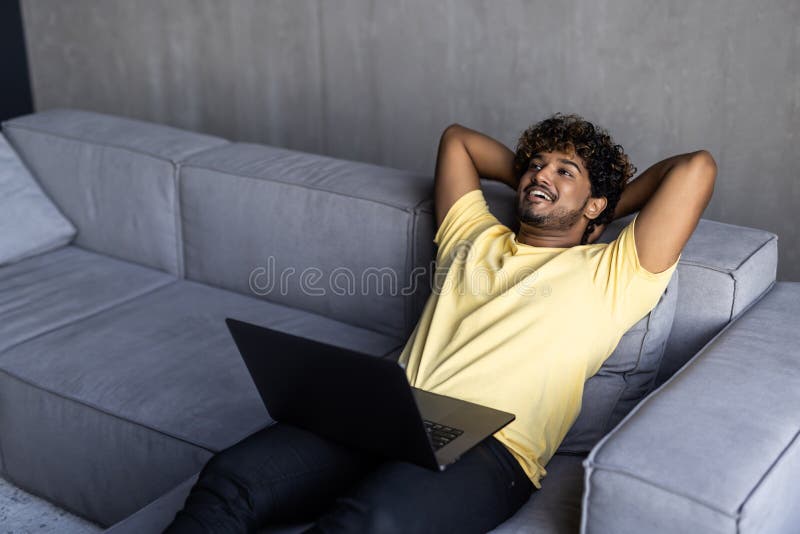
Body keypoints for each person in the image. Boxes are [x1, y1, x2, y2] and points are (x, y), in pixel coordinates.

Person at [165, 113, 716, 533]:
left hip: (493, 448)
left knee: (365, 523)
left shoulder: (612, 272)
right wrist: (553, 180)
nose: (539, 175)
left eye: (562, 171)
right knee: (228, 479)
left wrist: (607, 204)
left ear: (597, 205)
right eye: (534, 167)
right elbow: (458, 140)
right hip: (387, 411)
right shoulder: (473, 235)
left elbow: (696, 168)